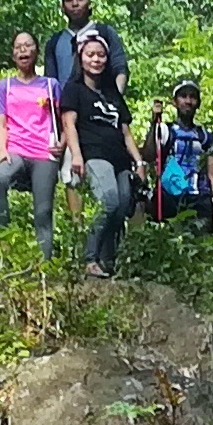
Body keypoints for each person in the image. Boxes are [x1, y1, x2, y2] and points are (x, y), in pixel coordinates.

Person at [55, 23, 138, 277]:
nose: (96, 59)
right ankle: (89, 257)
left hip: (120, 158)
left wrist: (139, 162)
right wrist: (76, 155)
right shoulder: (74, 88)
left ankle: (108, 260)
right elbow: (68, 123)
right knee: (109, 202)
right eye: (91, 54)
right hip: (94, 153)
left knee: (123, 206)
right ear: (81, 57)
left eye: (101, 54)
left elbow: (125, 130)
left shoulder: (112, 91)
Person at [0, 28, 62, 253]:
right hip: (15, 149)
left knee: (43, 212)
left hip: (44, 152)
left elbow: (63, 120)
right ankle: (3, 244)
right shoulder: (3, 86)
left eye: (28, 45)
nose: (23, 50)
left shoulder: (50, 85)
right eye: (18, 47)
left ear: (36, 51)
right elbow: (1, 123)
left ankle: (45, 264)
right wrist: (1, 149)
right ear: (12, 54)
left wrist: (62, 144)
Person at [142, 77, 213, 235]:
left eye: (193, 97)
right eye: (183, 96)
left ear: (198, 103)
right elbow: (149, 155)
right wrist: (154, 122)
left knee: (200, 245)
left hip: (199, 197)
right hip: (168, 195)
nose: (188, 101)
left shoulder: (205, 136)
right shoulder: (164, 130)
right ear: (175, 102)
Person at [41, 0, 104, 93]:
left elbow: (119, 69)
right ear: (63, 7)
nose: (75, 3)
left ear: (89, 3)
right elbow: (50, 83)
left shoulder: (104, 33)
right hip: (65, 108)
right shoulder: (55, 42)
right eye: (69, 0)